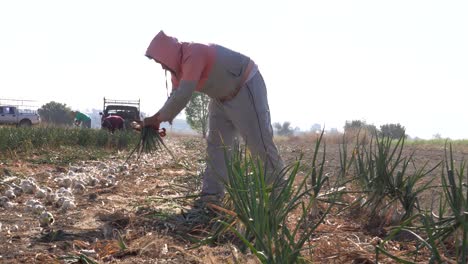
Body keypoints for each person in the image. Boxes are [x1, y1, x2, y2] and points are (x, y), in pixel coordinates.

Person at [143, 30, 284, 203]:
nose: (163, 67)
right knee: (216, 145)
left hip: (245, 87)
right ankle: (211, 196)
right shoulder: (177, 73)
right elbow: (174, 96)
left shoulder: (194, 53)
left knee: (259, 143)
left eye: (161, 61)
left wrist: (157, 119)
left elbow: (184, 93)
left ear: (168, 54)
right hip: (220, 98)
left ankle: (279, 193)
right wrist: (158, 118)